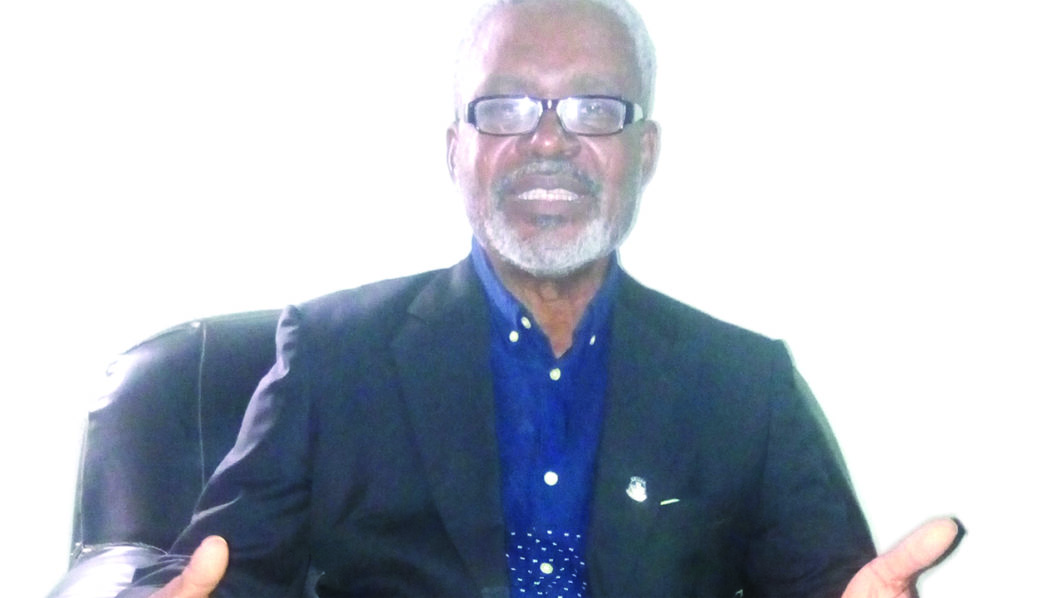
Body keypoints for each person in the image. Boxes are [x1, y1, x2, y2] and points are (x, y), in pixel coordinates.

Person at [124, 0, 962, 596]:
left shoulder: (747, 385)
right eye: (508, 107)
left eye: (593, 108)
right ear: (455, 150)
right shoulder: (332, 356)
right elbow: (214, 574)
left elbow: (830, 585)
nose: (549, 139)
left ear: (645, 152)